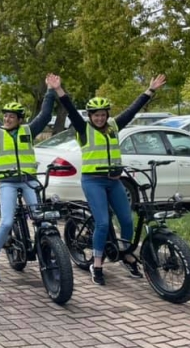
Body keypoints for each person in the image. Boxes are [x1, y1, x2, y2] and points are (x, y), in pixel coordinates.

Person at [52, 74, 167, 285]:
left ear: (107, 115)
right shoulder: (83, 129)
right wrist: (59, 90)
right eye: (95, 115)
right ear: (90, 116)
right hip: (93, 181)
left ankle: (125, 254)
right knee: (103, 223)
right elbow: (69, 108)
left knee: (126, 220)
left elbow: (132, 111)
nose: (100, 118)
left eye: (103, 115)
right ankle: (97, 265)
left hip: (114, 181)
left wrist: (150, 90)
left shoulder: (114, 127)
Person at [0, 74, 59, 282]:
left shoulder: (28, 131)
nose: (7, 119)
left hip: (29, 181)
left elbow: (44, 114)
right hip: (7, 183)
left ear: (20, 119)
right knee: (6, 222)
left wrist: (51, 90)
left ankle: (51, 255)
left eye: (12, 117)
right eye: (5, 115)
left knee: (42, 219)